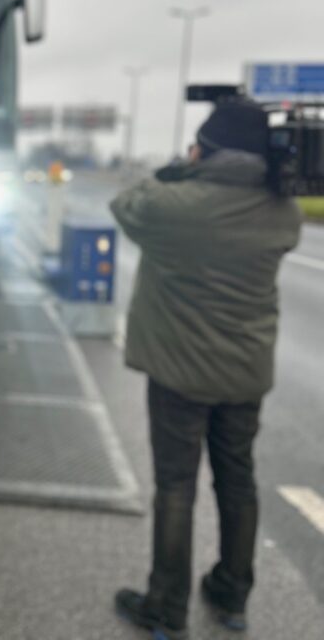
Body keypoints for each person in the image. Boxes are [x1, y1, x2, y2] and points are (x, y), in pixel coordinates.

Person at [110, 100, 302, 639]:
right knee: (237, 480)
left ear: (206, 149)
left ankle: (166, 608)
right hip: (244, 374)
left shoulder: (176, 206)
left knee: (176, 486)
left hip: (179, 374)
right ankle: (232, 594)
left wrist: (180, 169)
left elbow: (126, 202)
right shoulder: (282, 214)